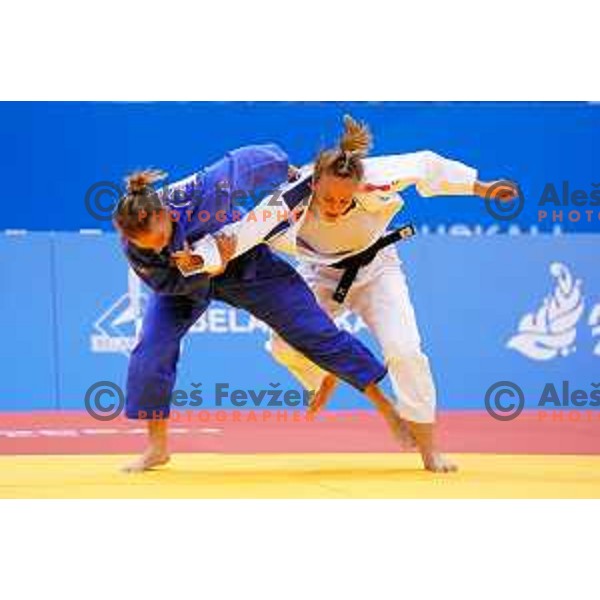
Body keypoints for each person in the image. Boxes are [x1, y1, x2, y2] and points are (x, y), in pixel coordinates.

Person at [184, 117, 518, 472]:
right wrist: (201, 258)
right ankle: (323, 374)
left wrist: (481, 188)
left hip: (378, 270)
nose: (335, 206)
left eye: (345, 200)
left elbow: (425, 165)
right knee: (283, 344)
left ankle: (428, 448)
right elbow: (242, 233)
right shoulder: (289, 199)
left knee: (405, 351)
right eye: (328, 198)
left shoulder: (374, 177)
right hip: (321, 274)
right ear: (314, 183)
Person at [113, 143, 412, 472]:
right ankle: (157, 447)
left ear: (165, 214)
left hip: (243, 262)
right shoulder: (134, 244)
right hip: (183, 284)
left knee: (312, 327)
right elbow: (164, 283)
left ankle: (386, 407)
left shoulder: (202, 191)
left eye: (160, 239)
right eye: (149, 247)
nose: (158, 249)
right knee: (151, 348)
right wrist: (202, 268)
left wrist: (286, 171)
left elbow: (246, 161)